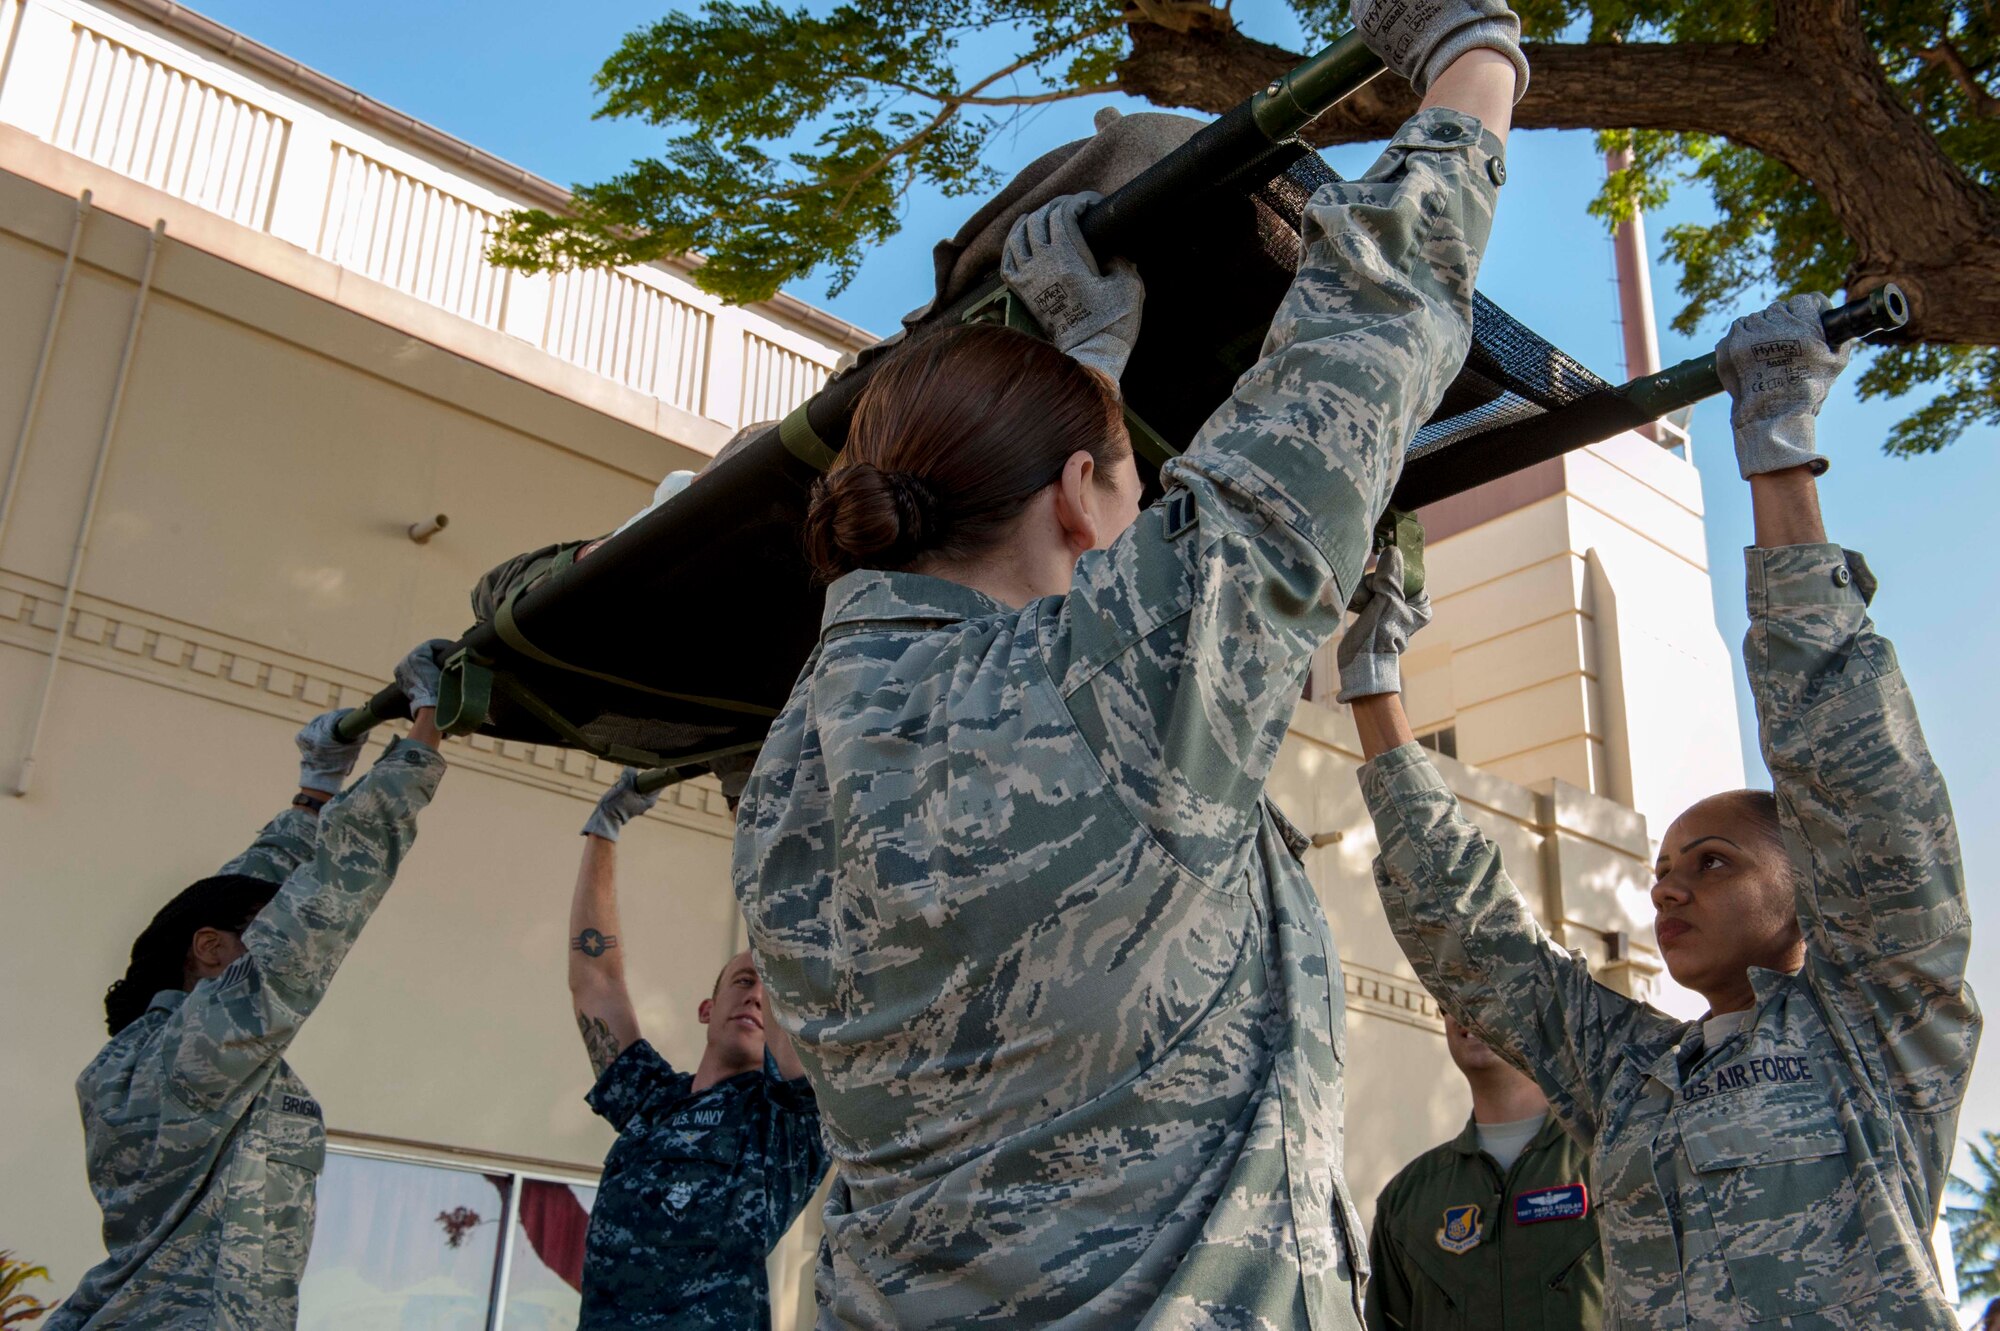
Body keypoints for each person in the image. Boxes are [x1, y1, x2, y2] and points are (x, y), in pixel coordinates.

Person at [732, 0, 1527, 1318]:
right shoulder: (1126, 688)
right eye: (1131, 482)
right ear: (1074, 498)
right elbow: (1366, 327)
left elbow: (1037, 597)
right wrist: (1476, 55)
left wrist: (1090, 372)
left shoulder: (802, 761)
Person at [1343, 294, 1978, 1328]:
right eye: (1667, 861)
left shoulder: (1881, 1030)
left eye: (1715, 860)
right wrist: (1372, 675)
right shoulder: (1631, 1073)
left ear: (1807, 891)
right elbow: (1471, 939)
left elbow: (1857, 783)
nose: (1667, 881)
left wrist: (1773, 439)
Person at [45, 641, 452, 1331]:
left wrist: (313, 792)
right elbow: (325, 903)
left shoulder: (138, 1060)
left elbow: (251, 898)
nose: (271, 940)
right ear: (207, 950)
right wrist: (425, 727)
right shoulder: (201, 1048)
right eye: (254, 937)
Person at [565, 770, 827, 1330]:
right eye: (741, 981)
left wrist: (749, 816)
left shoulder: (785, 1122)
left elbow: (789, 950)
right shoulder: (651, 1101)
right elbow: (596, 982)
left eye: (769, 985)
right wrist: (604, 828)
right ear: (706, 1010)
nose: (757, 995)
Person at [1365, 1016, 1601, 1330]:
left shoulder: (1614, 1168)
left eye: (1487, 980)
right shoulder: (1406, 1200)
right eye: (1449, 989)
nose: (1466, 1005)